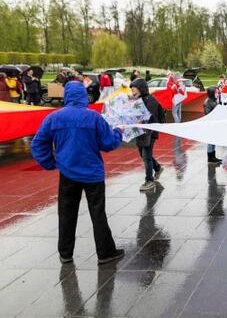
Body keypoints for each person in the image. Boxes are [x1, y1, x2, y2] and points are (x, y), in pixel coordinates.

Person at [31, 81, 125, 265]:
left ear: (66, 95)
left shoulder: (54, 118)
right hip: (93, 174)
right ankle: (105, 253)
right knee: (98, 213)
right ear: (83, 95)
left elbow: (38, 143)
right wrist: (118, 132)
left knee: (66, 213)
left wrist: (51, 163)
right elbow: (108, 143)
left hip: (67, 173)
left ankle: (66, 253)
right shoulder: (94, 117)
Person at [130, 78, 165, 191]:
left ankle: (149, 180)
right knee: (142, 154)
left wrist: (140, 120)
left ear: (141, 89)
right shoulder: (138, 100)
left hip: (149, 132)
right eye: (132, 90)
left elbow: (150, 116)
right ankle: (157, 167)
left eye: (134, 90)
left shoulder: (150, 100)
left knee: (146, 155)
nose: (132, 92)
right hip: (140, 132)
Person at [204, 86, 223, 164]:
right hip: (210, 125)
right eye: (216, 92)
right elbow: (208, 114)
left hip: (215, 123)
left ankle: (213, 156)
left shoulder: (214, 100)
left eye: (218, 92)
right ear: (212, 93)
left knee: (213, 140)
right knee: (210, 141)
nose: (217, 94)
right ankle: (210, 158)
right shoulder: (207, 102)